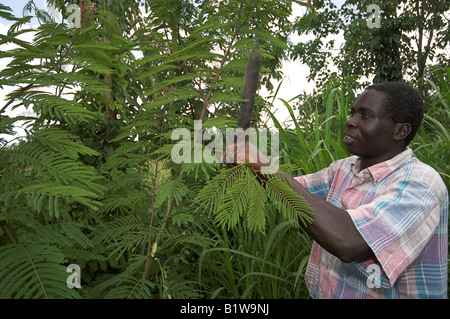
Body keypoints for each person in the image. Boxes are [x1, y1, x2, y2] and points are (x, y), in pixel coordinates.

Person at [226, 81, 448, 299]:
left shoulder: (421, 184)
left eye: (366, 115)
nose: (350, 121)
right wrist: (244, 167)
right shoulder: (344, 169)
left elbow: (349, 241)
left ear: (400, 131)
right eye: (353, 113)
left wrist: (265, 167)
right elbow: (287, 190)